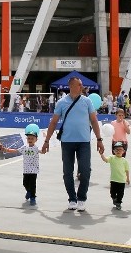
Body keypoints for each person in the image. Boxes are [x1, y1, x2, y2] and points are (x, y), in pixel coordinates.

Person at [41, 77, 104, 211]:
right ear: (71, 86)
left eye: (81, 85)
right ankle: (72, 198)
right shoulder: (61, 103)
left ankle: (81, 198)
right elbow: (53, 122)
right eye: (79, 85)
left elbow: (94, 120)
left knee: (85, 171)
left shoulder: (87, 101)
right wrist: (46, 141)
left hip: (84, 142)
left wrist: (99, 139)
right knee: (67, 172)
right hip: (67, 142)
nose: (82, 87)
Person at [0, 123, 42, 205]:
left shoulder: (36, 148)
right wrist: (6, 150)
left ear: (36, 139)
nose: (30, 140)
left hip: (34, 170)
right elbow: (16, 150)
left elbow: (42, 151)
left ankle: (33, 197)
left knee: (33, 184)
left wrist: (45, 149)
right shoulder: (24, 148)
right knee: (25, 183)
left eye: (32, 138)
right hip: (26, 169)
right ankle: (28, 191)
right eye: (29, 138)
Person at [99, 141, 130, 210]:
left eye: (120, 149)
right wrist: (101, 154)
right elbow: (105, 160)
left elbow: (127, 170)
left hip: (122, 180)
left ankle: (118, 203)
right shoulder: (112, 158)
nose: (118, 151)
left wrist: (127, 179)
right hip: (113, 179)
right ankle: (114, 198)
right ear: (113, 151)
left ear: (123, 151)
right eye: (116, 150)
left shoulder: (124, 161)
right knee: (112, 192)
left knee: (120, 193)